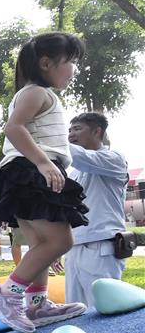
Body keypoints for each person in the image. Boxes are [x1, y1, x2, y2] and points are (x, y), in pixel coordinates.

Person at [0, 33, 89, 333]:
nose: (74, 69)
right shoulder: (37, 93)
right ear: (45, 63)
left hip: (22, 174)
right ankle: (6, 294)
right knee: (60, 241)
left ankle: (37, 304)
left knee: (41, 244)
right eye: (71, 62)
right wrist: (43, 162)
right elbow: (13, 128)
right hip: (31, 171)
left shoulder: (34, 94)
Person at [64, 112, 129, 309]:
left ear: (97, 131)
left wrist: (46, 137)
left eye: (77, 129)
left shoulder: (114, 159)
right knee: (76, 310)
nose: (71, 134)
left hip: (101, 247)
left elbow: (78, 156)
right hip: (73, 247)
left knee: (104, 309)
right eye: (69, 130)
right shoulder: (74, 173)